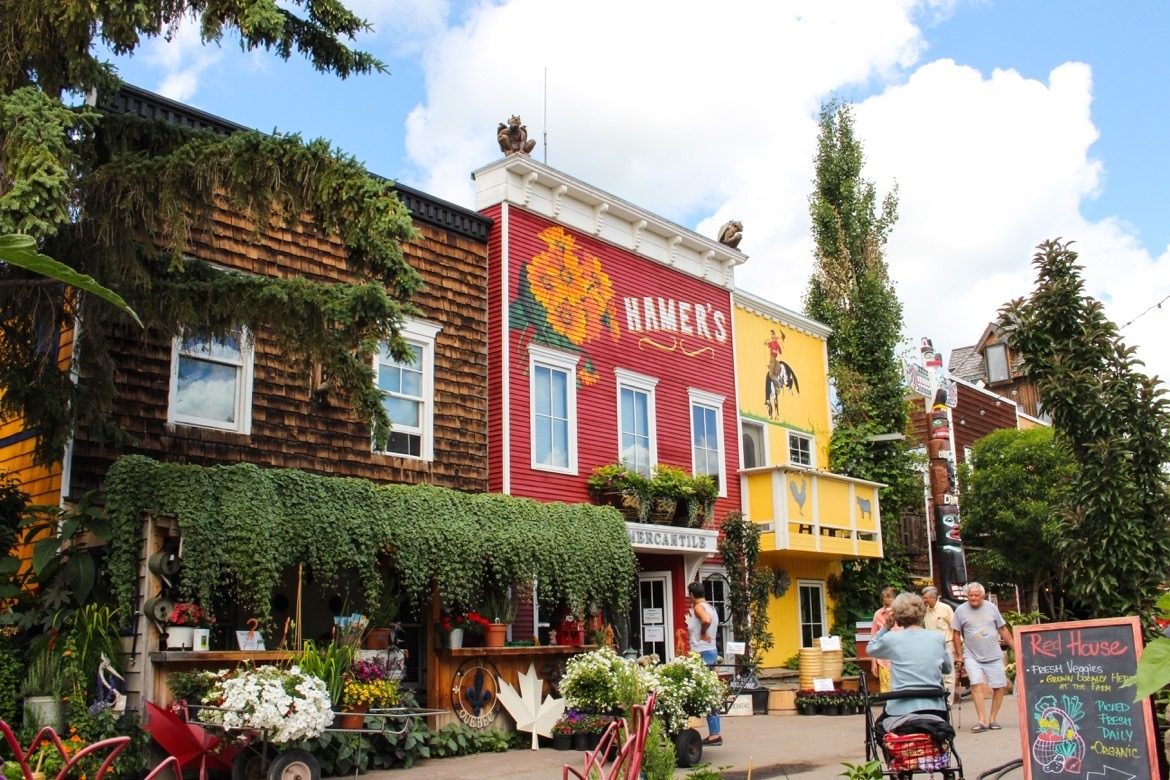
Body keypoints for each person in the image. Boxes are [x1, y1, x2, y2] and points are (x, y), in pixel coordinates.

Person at [865, 592, 952, 720]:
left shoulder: (892, 639)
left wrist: (886, 627)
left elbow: (870, 649)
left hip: (901, 710)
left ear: (897, 617)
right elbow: (947, 669)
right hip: (934, 708)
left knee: (879, 728)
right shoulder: (937, 638)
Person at [951, 582, 1013, 733]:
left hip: (994, 654)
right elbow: (956, 634)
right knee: (976, 684)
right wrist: (959, 655)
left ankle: (992, 719)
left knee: (999, 687)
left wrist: (1015, 647)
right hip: (972, 655)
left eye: (976, 595)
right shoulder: (960, 610)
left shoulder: (992, 608)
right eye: (970, 595)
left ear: (983, 596)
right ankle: (982, 720)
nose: (973, 598)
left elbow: (1003, 629)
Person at [686, 581, 722, 746]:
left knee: (702, 691)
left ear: (692, 595)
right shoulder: (711, 607)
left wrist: (702, 632)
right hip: (710, 651)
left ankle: (714, 735)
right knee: (709, 692)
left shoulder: (699, 608)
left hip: (702, 652)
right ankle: (714, 733)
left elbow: (705, 620)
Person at [922, 586, 957, 695]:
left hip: (946, 645)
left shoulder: (945, 608)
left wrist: (957, 647)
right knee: (934, 674)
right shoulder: (924, 611)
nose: (924, 600)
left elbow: (955, 627)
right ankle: (938, 700)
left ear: (934, 597)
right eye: (923, 598)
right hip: (931, 647)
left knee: (948, 675)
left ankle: (948, 703)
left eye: (926, 598)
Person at [871, 586, 900, 692]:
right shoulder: (878, 615)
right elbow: (874, 639)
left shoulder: (902, 614)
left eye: (890, 604)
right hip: (884, 660)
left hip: (900, 658)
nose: (887, 608)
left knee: (901, 691)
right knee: (887, 692)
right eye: (885, 604)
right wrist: (873, 662)